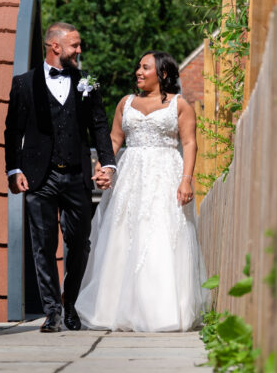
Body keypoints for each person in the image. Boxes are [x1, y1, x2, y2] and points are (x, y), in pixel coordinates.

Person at [75, 50, 208, 331]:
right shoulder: (126, 103)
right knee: (123, 234)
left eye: (145, 67)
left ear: (162, 73)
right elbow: (113, 140)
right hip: (131, 175)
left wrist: (186, 179)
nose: (138, 71)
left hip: (165, 175)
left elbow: (189, 144)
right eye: (138, 66)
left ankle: (162, 311)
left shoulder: (180, 105)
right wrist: (104, 167)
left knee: (160, 234)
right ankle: (114, 309)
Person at [3, 22, 117, 332]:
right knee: (43, 243)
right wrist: (14, 170)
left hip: (76, 175)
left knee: (80, 244)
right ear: (56, 47)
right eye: (75, 45)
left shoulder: (87, 83)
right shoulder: (23, 84)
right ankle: (52, 311)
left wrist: (108, 164)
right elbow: (12, 130)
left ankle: (71, 304)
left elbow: (99, 127)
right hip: (39, 177)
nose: (80, 51)